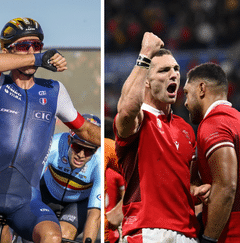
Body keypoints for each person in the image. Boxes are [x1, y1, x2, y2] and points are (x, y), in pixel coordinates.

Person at [0, 17, 101, 243]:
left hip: (27, 199)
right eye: (25, 46)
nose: (32, 51)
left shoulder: (54, 90)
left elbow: (84, 130)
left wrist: (121, 143)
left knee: (53, 237)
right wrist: (38, 58)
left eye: (37, 46)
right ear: (7, 50)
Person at [113, 32, 209, 242]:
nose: (173, 74)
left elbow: (188, 184)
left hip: (188, 233)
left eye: (175, 69)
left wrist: (197, 190)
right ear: (145, 82)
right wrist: (145, 53)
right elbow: (127, 109)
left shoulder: (185, 128)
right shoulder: (138, 120)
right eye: (164, 70)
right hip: (147, 231)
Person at [183, 62, 240, 243]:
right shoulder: (236, 120)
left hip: (230, 234)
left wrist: (208, 238)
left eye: (186, 93)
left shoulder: (213, 124)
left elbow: (226, 187)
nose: (184, 102)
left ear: (201, 89)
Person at [39, 114, 102, 243]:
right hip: (47, 194)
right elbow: (29, 186)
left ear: (96, 150)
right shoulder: (54, 145)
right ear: (69, 140)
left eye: (89, 150)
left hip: (78, 203)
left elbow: (94, 213)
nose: (81, 155)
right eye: (77, 147)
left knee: (64, 234)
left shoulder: (99, 162)